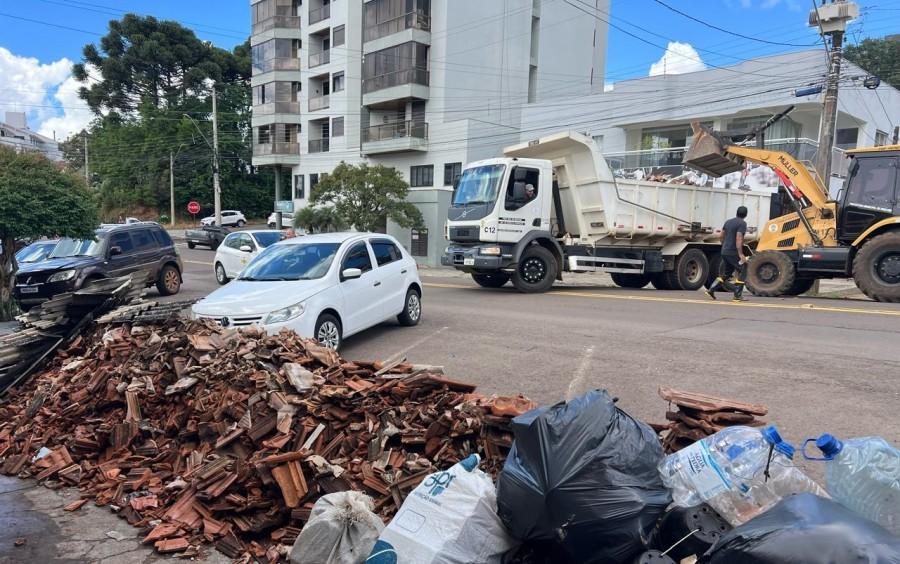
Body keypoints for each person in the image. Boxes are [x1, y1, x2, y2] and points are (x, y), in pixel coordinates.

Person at [706, 206, 749, 302]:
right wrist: (741, 254)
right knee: (744, 269)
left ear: (737, 212)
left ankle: (711, 289)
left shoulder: (728, 222)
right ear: (746, 214)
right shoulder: (742, 223)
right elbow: (739, 238)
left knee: (727, 273)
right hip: (733, 252)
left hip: (724, 251)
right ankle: (737, 296)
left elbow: (721, 236)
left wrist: (724, 245)